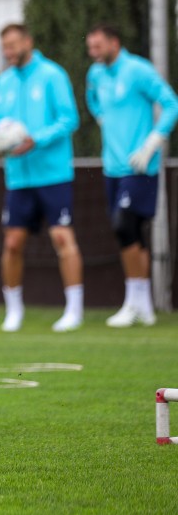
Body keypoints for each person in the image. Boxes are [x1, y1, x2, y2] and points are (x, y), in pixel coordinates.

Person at [0, 23, 84, 333]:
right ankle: (13, 311)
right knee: (12, 243)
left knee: (62, 238)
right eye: (5, 47)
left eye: (13, 45)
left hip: (53, 174)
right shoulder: (4, 81)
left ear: (28, 41)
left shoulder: (52, 75)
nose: (8, 52)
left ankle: (74, 310)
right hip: (18, 178)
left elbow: (69, 119)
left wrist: (35, 140)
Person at [85, 23, 178, 327]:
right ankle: (144, 305)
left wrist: (153, 142)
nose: (93, 52)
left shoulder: (138, 70)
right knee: (133, 233)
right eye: (90, 47)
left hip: (139, 165)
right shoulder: (95, 74)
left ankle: (133, 301)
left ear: (114, 43)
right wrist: (102, 118)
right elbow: (92, 99)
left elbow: (171, 104)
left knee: (123, 225)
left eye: (98, 46)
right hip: (111, 165)